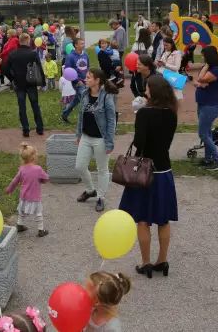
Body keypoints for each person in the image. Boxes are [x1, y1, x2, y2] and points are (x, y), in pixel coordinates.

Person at [119, 76, 179, 278]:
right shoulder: (172, 113)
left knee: (143, 219)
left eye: (147, 88)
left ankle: (145, 263)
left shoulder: (144, 113)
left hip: (144, 171)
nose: (145, 91)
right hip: (164, 170)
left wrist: (140, 120)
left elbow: (139, 142)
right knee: (163, 220)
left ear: (153, 91)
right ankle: (162, 260)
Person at [75, 68, 118, 213]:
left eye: (89, 77)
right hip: (86, 137)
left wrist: (110, 142)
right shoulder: (84, 94)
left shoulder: (107, 96)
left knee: (102, 169)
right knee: (80, 166)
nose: (85, 79)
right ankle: (90, 190)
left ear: (97, 80)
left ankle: (100, 197)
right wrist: (78, 134)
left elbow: (111, 120)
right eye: (86, 77)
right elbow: (81, 116)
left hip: (101, 139)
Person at [4, 34, 45, 138]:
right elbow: (39, 68)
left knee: (22, 107)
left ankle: (25, 129)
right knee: (35, 105)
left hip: (19, 83)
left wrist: (12, 78)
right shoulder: (33, 54)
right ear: (27, 41)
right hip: (31, 82)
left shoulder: (13, 54)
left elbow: (5, 68)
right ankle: (40, 128)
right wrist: (42, 82)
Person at [5, 142, 49, 237]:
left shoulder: (22, 169)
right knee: (38, 213)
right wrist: (41, 180)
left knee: (22, 211)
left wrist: (9, 189)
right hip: (34, 197)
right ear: (34, 157)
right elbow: (46, 178)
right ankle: (41, 230)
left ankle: (19, 225)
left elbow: (15, 181)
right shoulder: (38, 169)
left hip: (24, 196)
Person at [193, 45, 218, 170]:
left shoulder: (216, 69)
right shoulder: (211, 67)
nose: (202, 58)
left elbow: (201, 78)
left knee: (203, 134)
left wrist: (206, 66)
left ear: (209, 57)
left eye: (204, 56)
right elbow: (201, 82)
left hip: (210, 105)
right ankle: (208, 159)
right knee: (207, 133)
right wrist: (200, 84)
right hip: (203, 103)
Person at [61, 38, 90, 123]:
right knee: (85, 100)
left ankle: (65, 114)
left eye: (83, 43)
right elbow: (67, 70)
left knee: (76, 100)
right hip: (77, 82)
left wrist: (88, 77)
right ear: (76, 45)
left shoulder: (85, 55)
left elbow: (88, 67)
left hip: (85, 81)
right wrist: (77, 81)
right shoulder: (70, 56)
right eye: (81, 44)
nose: (83, 45)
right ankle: (85, 121)